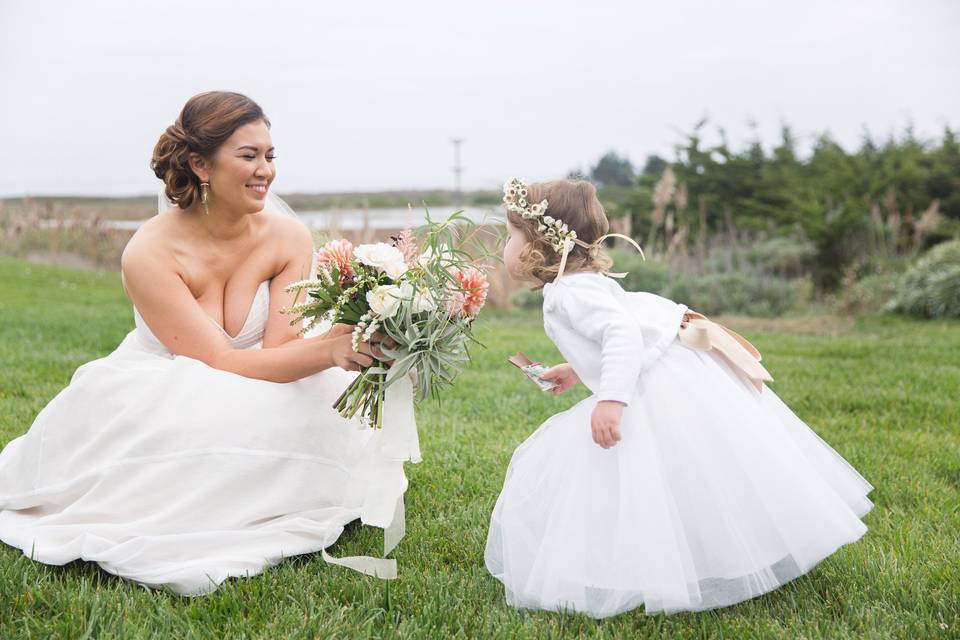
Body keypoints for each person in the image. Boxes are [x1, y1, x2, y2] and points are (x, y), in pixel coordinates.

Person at [0, 91, 411, 595]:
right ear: (200, 163)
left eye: (269, 155)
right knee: (207, 407)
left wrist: (352, 337)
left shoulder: (287, 238)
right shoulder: (148, 252)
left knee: (310, 398)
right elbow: (216, 362)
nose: (265, 170)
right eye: (248, 156)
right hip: (168, 379)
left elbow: (278, 347)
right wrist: (327, 350)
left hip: (253, 373)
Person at [484, 178, 873, 618]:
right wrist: (579, 370)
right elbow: (615, 333)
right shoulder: (576, 283)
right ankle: (701, 549)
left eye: (512, 234)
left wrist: (610, 398)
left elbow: (622, 333)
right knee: (683, 470)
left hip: (655, 384)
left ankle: (685, 559)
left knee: (661, 469)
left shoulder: (572, 291)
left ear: (540, 242)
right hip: (659, 368)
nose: (506, 245)